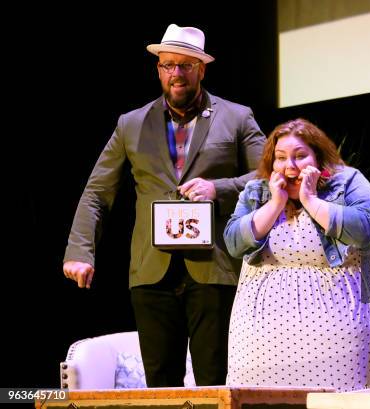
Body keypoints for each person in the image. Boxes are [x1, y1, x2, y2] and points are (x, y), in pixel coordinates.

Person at [63, 23, 266, 387]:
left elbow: (267, 177)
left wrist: (217, 187)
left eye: (185, 66)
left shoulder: (236, 117)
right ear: (158, 68)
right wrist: (80, 250)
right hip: (151, 271)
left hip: (213, 269)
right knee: (160, 383)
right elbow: (97, 192)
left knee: (214, 381)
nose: (176, 74)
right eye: (168, 65)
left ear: (201, 69)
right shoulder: (131, 124)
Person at [223, 118, 370, 391]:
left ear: (317, 157)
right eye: (280, 158)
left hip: (338, 329)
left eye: (300, 156)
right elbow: (234, 243)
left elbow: (364, 229)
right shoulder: (258, 191)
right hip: (263, 337)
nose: (290, 166)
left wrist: (311, 200)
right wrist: (275, 204)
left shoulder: (347, 181)